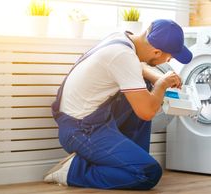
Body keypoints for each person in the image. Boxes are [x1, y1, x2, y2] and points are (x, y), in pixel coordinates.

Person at [43, 19, 192, 190]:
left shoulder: (123, 40)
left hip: (91, 120)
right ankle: (73, 171)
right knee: (148, 173)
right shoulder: (123, 56)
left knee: (145, 85)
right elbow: (147, 112)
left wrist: (157, 78)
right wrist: (162, 84)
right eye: (170, 57)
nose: (170, 61)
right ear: (157, 52)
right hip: (81, 130)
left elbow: (133, 68)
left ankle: (130, 160)